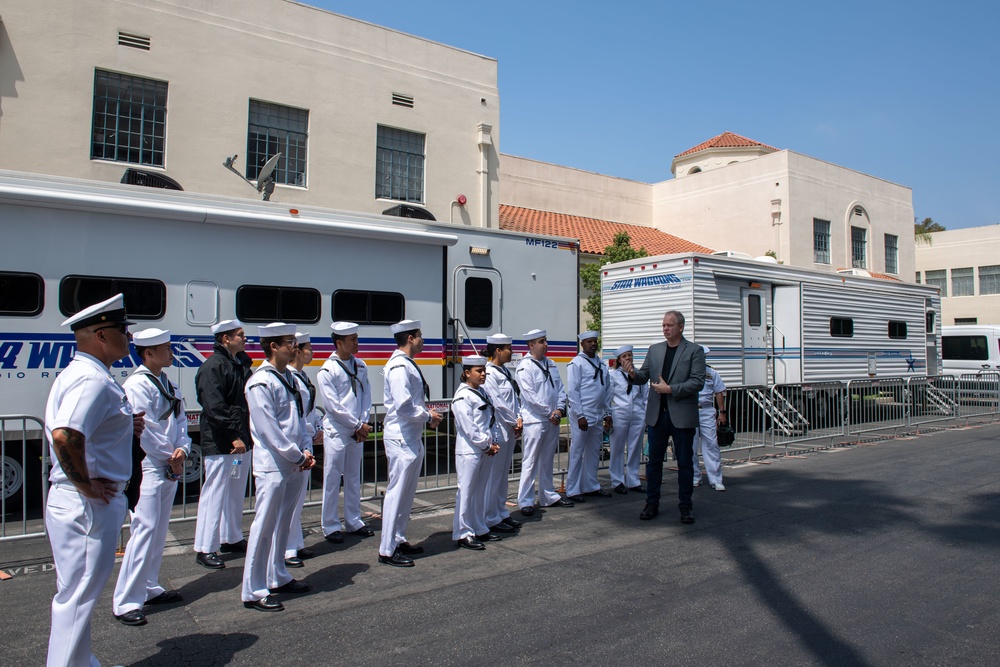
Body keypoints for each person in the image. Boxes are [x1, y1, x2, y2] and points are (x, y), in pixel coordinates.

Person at [43, 293, 145, 666]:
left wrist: (124, 426)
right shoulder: (91, 379)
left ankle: (80, 662)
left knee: (77, 594)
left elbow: (84, 431)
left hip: (82, 501)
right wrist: (85, 484)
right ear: (101, 335)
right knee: (77, 597)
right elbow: (65, 435)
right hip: (86, 503)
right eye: (122, 329)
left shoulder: (87, 374)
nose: (128, 337)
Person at [112, 328, 190, 627]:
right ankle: (125, 601)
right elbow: (145, 429)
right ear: (148, 353)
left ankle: (148, 586)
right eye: (166, 348)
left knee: (158, 531)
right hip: (150, 465)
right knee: (143, 532)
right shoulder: (137, 385)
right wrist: (171, 454)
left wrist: (183, 448)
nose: (171, 352)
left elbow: (180, 419)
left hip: (169, 462)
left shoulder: (166, 382)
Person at [241, 323, 315, 612]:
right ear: (273, 346)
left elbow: (300, 419)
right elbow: (269, 430)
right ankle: (253, 588)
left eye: (295, 341)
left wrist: (306, 448)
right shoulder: (260, 381)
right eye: (289, 342)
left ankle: (277, 575)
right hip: (274, 464)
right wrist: (297, 455)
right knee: (264, 526)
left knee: (284, 522)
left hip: (295, 460)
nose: (295, 347)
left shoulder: (290, 378)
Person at [621, 310, 705, 524]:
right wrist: (631, 373)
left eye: (670, 325)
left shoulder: (694, 351)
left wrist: (671, 389)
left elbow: (698, 382)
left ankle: (686, 506)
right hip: (657, 416)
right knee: (653, 463)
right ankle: (652, 503)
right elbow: (642, 376)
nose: (666, 328)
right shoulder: (655, 349)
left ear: (681, 327)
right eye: (664, 325)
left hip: (682, 416)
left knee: (685, 463)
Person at [379, 319, 443, 567]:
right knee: (397, 492)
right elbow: (404, 405)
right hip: (401, 436)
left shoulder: (407, 364)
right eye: (420, 335)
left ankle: (398, 537)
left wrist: (428, 416)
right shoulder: (398, 367)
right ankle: (387, 549)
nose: (422, 340)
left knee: (406, 493)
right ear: (410, 339)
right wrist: (428, 415)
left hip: (411, 435)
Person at [193, 319, 254, 569]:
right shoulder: (214, 365)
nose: (245, 339)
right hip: (222, 441)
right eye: (240, 335)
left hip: (239, 439)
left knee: (234, 491)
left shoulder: (238, 364)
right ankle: (205, 546)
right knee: (215, 493)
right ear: (225, 339)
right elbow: (215, 406)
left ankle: (231, 536)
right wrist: (233, 436)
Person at [317, 321, 375, 545]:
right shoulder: (328, 370)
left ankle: (353, 519)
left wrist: (364, 422)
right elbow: (333, 406)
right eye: (352, 340)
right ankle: (330, 525)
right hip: (338, 431)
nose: (356, 343)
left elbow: (366, 395)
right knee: (332, 478)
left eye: (356, 338)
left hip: (356, 430)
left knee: (353, 477)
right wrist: (355, 424)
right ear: (339, 343)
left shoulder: (360, 365)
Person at [515, 329, 574, 516]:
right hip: (535, 421)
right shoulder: (525, 367)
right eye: (541, 341)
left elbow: (560, 389)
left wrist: (559, 410)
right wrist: (550, 412)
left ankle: (548, 495)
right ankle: (525, 500)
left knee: (547, 460)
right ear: (531, 345)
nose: (545, 344)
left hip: (552, 420)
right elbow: (530, 395)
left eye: (546, 341)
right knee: (530, 461)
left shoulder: (552, 364)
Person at [452, 355, 502, 550]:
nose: (483, 374)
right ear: (466, 373)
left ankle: (479, 527)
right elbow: (468, 427)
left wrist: (494, 441)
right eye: (478, 371)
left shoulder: (482, 393)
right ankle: (462, 532)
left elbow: (491, 420)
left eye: (484, 371)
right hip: (470, 451)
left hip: (485, 449)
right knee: (466, 492)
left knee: (480, 491)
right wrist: (485, 445)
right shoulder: (463, 396)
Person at [283, 331, 322, 568]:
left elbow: (309, 409)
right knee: (289, 502)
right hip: (296, 443)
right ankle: (287, 550)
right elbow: (293, 415)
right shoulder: (291, 378)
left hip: (305, 440)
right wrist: (310, 428)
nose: (312, 352)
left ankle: (295, 543)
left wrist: (317, 427)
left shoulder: (302, 376)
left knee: (297, 501)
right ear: (297, 350)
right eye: (308, 348)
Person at [565, 331, 613, 502]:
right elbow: (573, 391)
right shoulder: (576, 363)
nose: (593, 344)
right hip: (583, 413)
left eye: (595, 341)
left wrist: (608, 413)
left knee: (594, 451)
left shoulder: (601, 363)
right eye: (589, 342)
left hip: (598, 412)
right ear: (582, 344)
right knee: (577, 451)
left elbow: (607, 390)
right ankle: (573, 489)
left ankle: (590, 485)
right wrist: (580, 415)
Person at [482, 333, 523, 534]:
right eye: (508, 348)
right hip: (499, 429)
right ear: (498, 350)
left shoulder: (505, 371)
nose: (512, 351)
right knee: (494, 476)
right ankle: (490, 517)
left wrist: (519, 417)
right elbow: (498, 403)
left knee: (503, 476)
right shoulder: (490, 373)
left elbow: (514, 398)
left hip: (509, 429)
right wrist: (515, 420)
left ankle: (501, 512)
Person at [608, 345, 648, 495]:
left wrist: (645, 415)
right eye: (624, 356)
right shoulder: (613, 375)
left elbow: (645, 396)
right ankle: (617, 480)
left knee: (635, 448)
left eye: (629, 355)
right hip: (620, 413)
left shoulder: (639, 374)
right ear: (619, 360)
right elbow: (608, 397)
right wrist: (608, 414)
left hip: (637, 413)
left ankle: (633, 479)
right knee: (617, 448)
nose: (628, 359)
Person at [692, 345, 728, 492]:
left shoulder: (711, 373)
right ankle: (695, 476)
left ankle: (716, 479)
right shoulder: (688, 372)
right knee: (690, 446)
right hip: (690, 410)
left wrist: (722, 413)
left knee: (711, 444)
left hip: (706, 409)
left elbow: (719, 392)